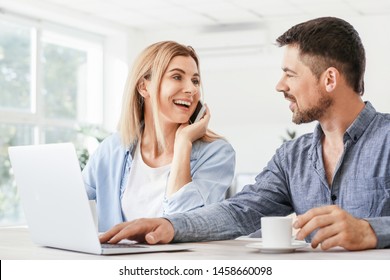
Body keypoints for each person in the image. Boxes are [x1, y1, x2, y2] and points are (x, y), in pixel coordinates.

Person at [98, 17, 390, 251]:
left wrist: (370, 231)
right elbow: (239, 212)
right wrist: (170, 226)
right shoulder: (292, 159)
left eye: (290, 74)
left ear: (329, 79)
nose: (279, 85)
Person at [82, 41, 235, 232]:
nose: (192, 89)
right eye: (177, 77)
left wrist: (183, 144)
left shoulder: (217, 154)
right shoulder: (112, 149)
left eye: (195, 80)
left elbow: (185, 226)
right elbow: (71, 205)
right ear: (144, 87)